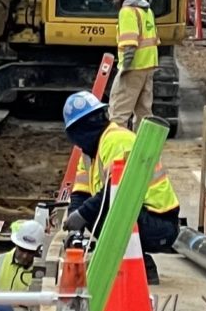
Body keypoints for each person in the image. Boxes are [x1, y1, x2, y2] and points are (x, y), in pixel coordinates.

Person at [62, 90, 181, 283]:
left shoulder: (116, 141)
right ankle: (126, 264)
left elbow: (118, 190)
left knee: (99, 213)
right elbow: (81, 191)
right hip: (143, 216)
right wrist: (75, 222)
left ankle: (143, 269)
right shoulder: (90, 151)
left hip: (160, 223)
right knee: (93, 214)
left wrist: (82, 214)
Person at [106, 0, 159, 127]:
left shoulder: (127, 11)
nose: (115, 1)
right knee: (144, 116)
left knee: (118, 115)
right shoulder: (146, 10)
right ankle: (143, 150)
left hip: (133, 67)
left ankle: (119, 149)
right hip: (148, 66)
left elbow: (130, 44)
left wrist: (124, 71)